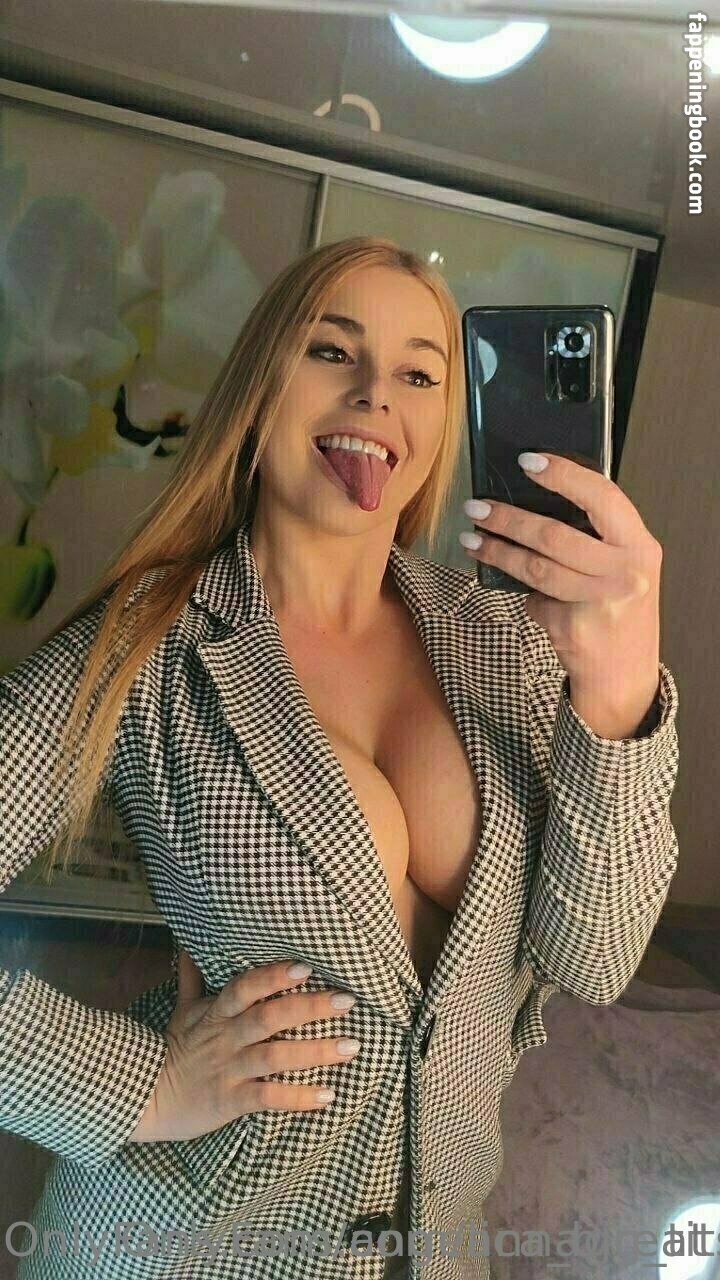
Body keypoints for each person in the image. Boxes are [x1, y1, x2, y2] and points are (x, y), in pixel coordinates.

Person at [0, 235, 680, 1280]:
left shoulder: (505, 639)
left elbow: (595, 958)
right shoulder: (144, 644)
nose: (376, 396)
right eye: (332, 351)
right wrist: (143, 1084)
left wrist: (621, 691)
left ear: (444, 423)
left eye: (419, 373)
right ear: (259, 385)